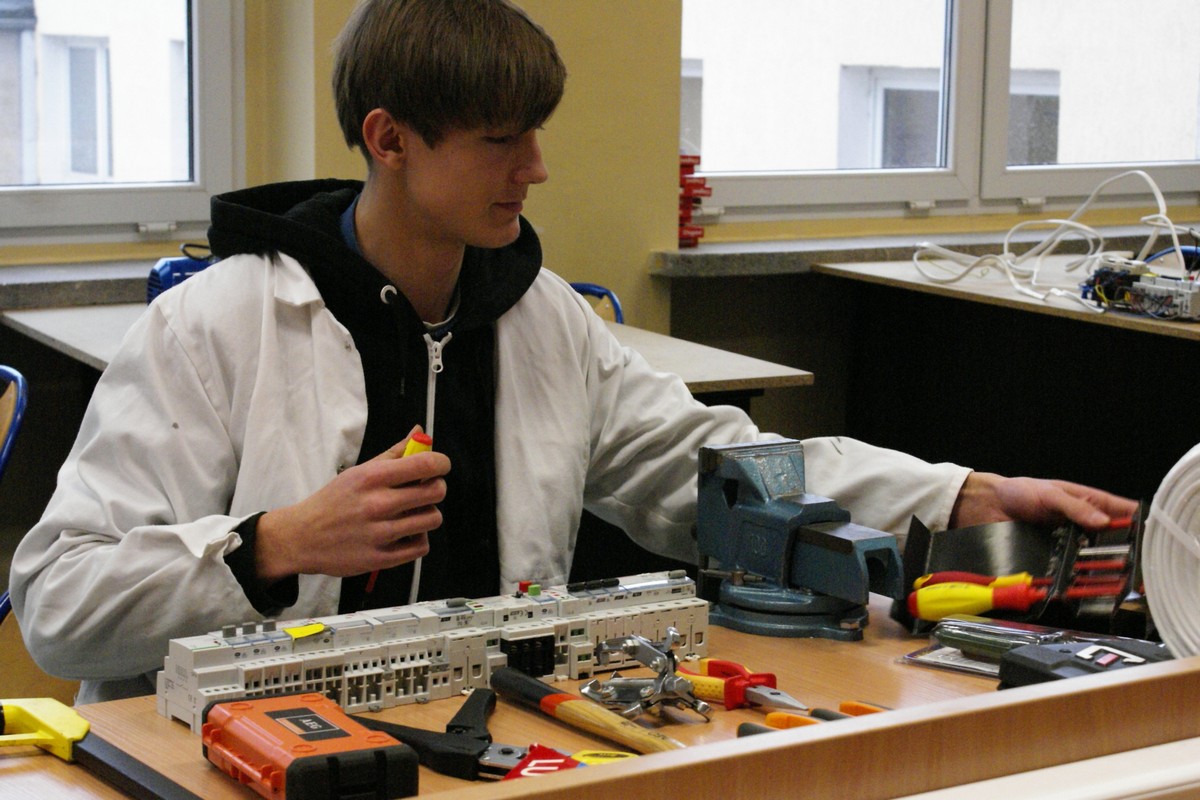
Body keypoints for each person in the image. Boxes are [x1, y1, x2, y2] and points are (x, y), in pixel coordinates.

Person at [8, 0, 1136, 705]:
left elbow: (714, 467)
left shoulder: (539, 318)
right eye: (501, 139)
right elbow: (57, 602)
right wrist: (269, 546)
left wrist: (963, 494)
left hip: (488, 737)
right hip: (232, 752)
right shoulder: (217, 326)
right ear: (389, 139)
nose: (537, 168)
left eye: (536, 132)